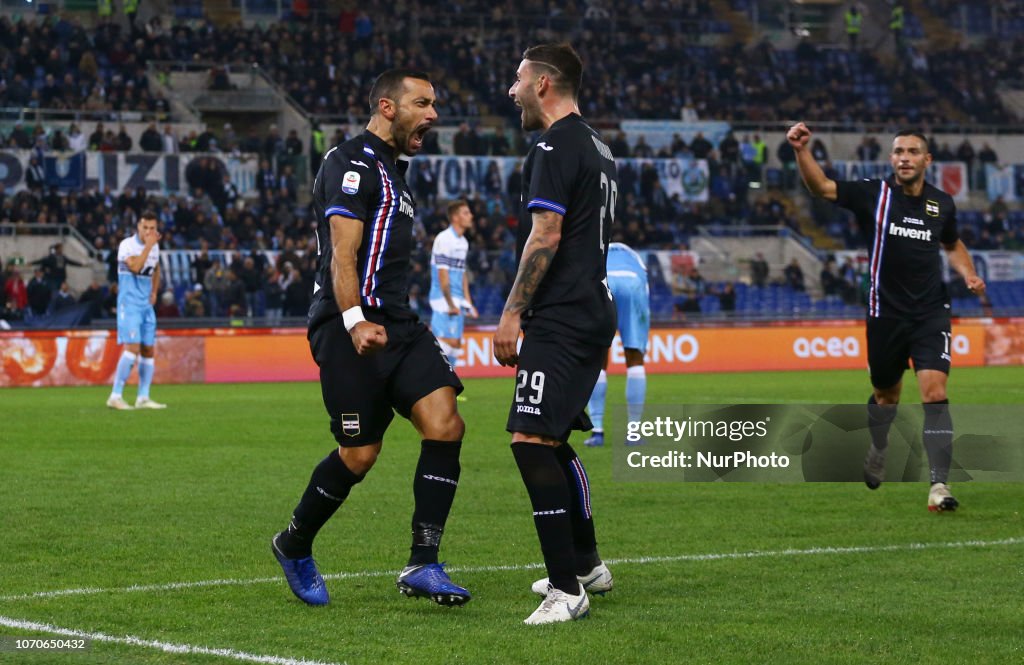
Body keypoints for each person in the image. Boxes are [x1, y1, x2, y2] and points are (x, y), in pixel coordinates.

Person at [270, 69, 471, 609]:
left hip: (398, 323)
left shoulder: (395, 174)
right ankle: (294, 543)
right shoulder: (351, 163)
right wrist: (355, 319)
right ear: (387, 107)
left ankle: (424, 563)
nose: (433, 114)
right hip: (347, 324)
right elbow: (343, 253)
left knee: (446, 423)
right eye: (422, 103)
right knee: (359, 455)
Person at [787, 122, 985, 512]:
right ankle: (879, 445)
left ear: (927, 160)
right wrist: (800, 150)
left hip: (931, 312)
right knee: (885, 397)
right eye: (898, 152)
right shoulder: (873, 194)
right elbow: (821, 187)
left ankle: (939, 485)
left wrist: (969, 272)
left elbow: (952, 243)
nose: (904, 158)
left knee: (935, 393)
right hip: (885, 315)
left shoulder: (941, 203)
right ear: (891, 158)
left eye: (912, 152)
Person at [495, 43, 615, 625]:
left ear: (543, 84)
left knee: (530, 440)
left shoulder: (552, 145)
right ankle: (586, 564)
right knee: (554, 436)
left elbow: (546, 234)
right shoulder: (597, 145)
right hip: (591, 306)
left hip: (563, 312)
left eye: (518, 79)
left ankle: (566, 590)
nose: (511, 90)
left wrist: (512, 312)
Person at [583, 242, 650, 448]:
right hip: (634, 283)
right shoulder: (635, 257)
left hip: (605, 282)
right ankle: (633, 433)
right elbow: (645, 287)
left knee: (599, 356)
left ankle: (597, 431)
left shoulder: (595, 249)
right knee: (635, 358)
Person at [107, 211, 167, 410]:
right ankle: (115, 395)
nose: (149, 232)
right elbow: (135, 267)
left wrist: (154, 291)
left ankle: (143, 397)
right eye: (145, 227)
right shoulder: (127, 245)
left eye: (152, 228)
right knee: (132, 348)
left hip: (146, 306)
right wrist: (148, 246)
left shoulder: (155, 247)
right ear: (138, 227)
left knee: (148, 349)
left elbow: (156, 269)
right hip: (129, 305)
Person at [429, 199, 478, 366]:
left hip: (457, 299)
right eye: (466, 213)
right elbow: (443, 275)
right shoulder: (444, 239)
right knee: (443, 343)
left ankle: (449, 383)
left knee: (456, 345)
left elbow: (462, 273)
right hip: (442, 298)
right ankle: (432, 378)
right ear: (455, 217)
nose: (471, 216)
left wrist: (468, 302)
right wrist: (450, 303)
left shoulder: (463, 242)